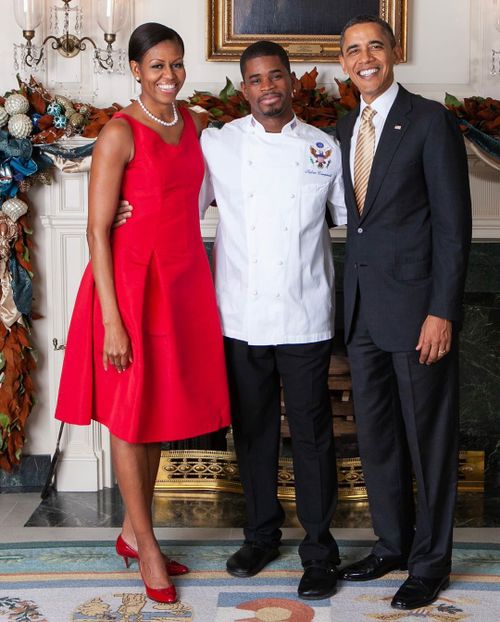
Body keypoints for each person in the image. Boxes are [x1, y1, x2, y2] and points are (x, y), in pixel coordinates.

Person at [117, 40, 347, 600]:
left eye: (276, 76)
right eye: (255, 78)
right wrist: (124, 209)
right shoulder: (217, 143)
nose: (267, 86)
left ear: (292, 82)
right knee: (253, 432)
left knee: (313, 436)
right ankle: (261, 535)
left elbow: (349, 223)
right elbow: (170, 196)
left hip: (306, 312)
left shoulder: (326, 149)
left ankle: (319, 549)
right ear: (243, 88)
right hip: (239, 313)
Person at [54, 23, 231, 604]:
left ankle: (133, 529)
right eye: (156, 66)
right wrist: (111, 320)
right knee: (130, 413)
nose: (169, 76)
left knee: (153, 410)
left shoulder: (199, 124)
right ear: (134, 69)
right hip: (129, 288)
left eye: (176, 64)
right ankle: (147, 546)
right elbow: (96, 230)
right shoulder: (118, 134)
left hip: (181, 285)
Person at [335, 15, 472, 610]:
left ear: (394, 52)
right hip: (362, 313)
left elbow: (452, 227)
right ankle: (392, 543)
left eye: (375, 46)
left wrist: (442, 311)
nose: (365, 58)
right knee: (379, 439)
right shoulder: (342, 128)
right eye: (353, 50)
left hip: (419, 315)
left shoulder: (430, 121)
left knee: (428, 442)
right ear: (343, 62)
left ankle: (431, 561)